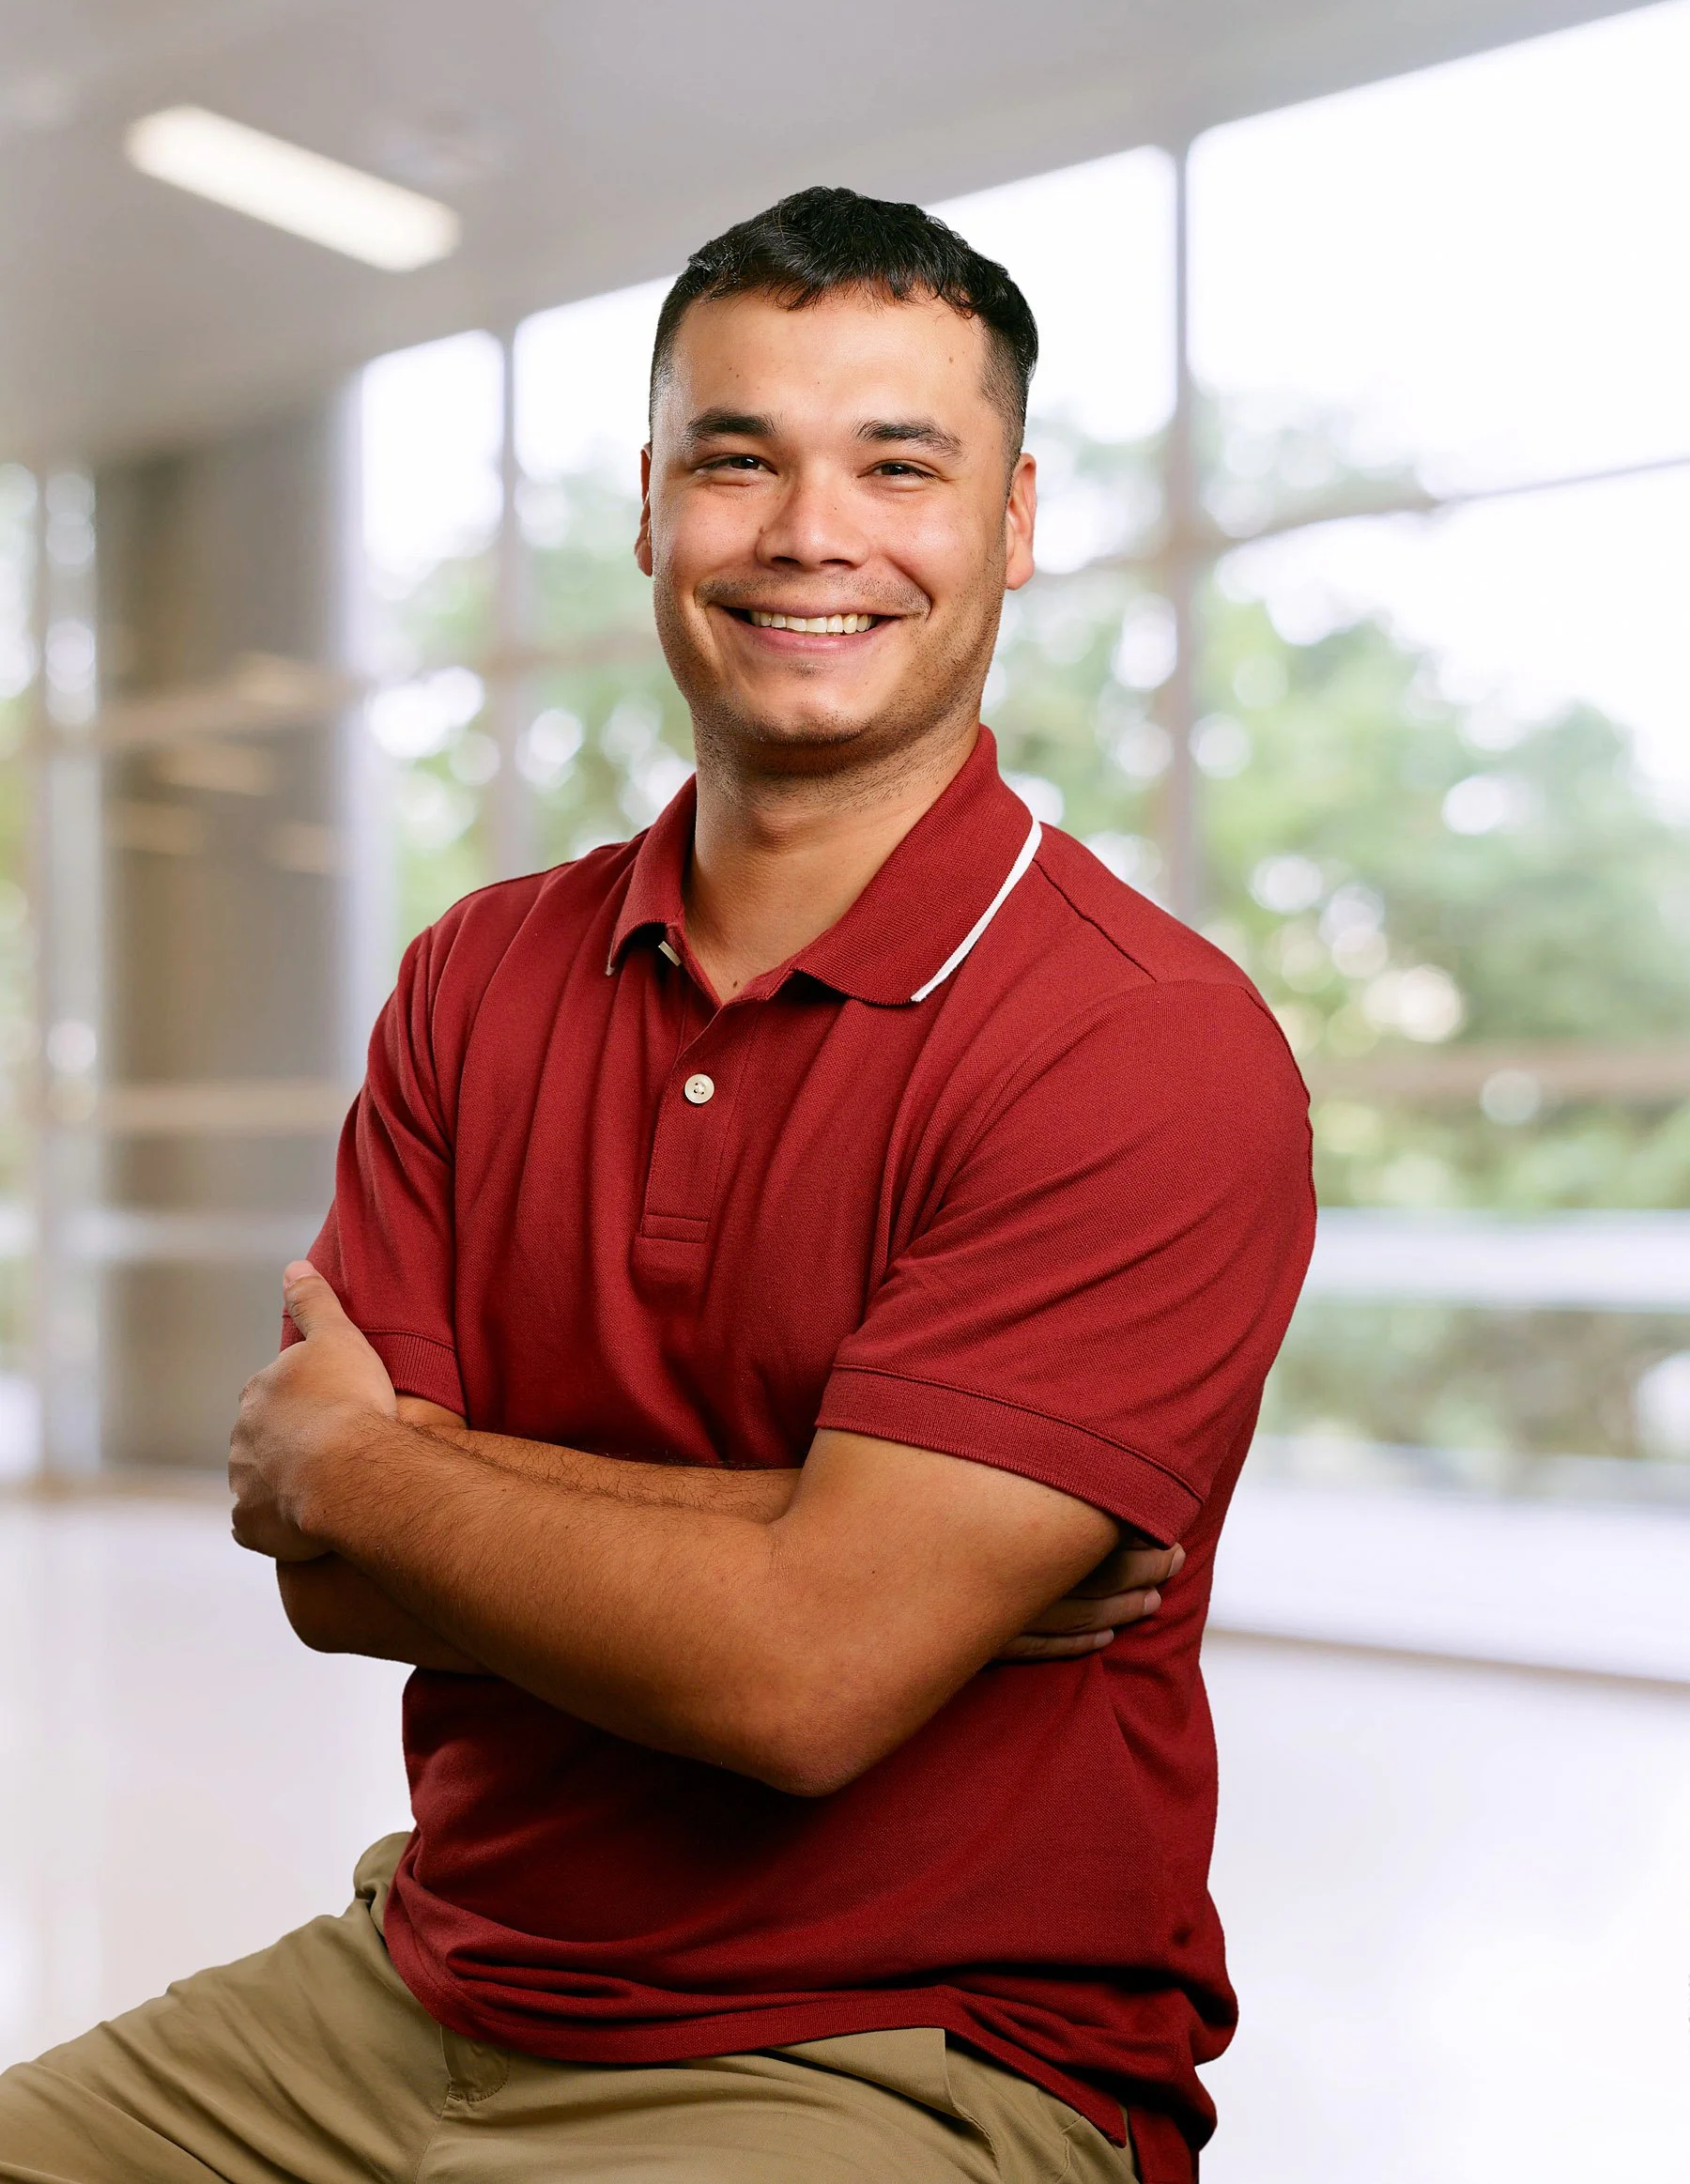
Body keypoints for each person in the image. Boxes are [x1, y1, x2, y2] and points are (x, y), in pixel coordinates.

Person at [0, 187, 1313, 2184]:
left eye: (899, 463)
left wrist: (381, 1461)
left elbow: (798, 1684)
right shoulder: (477, 971)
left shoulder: (1136, 1039)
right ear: (647, 509)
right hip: (421, 1987)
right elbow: (335, 1586)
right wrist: (789, 1536)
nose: (811, 532)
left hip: (904, 2059)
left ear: (1015, 522)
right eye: (737, 459)